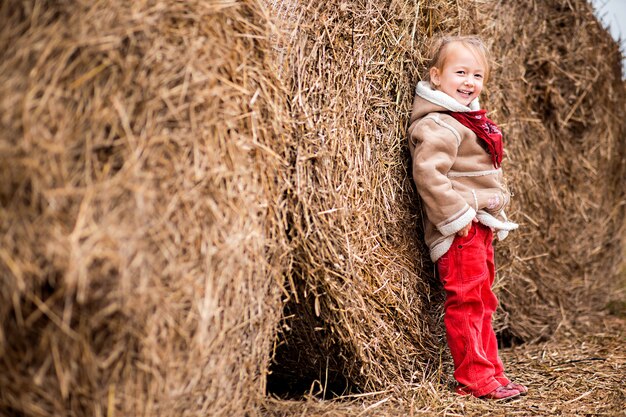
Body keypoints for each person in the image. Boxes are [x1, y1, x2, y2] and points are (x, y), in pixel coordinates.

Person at [407, 35, 527, 400]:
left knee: (484, 300)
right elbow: (428, 173)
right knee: (467, 301)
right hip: (460, 227)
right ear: (436, 77)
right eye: (460, 72)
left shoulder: (469, 122)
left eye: (477, 75)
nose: (469, 81)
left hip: (480, 224)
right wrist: (458, 219)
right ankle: (474, 378)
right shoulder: (438, 124)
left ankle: (492, 371)